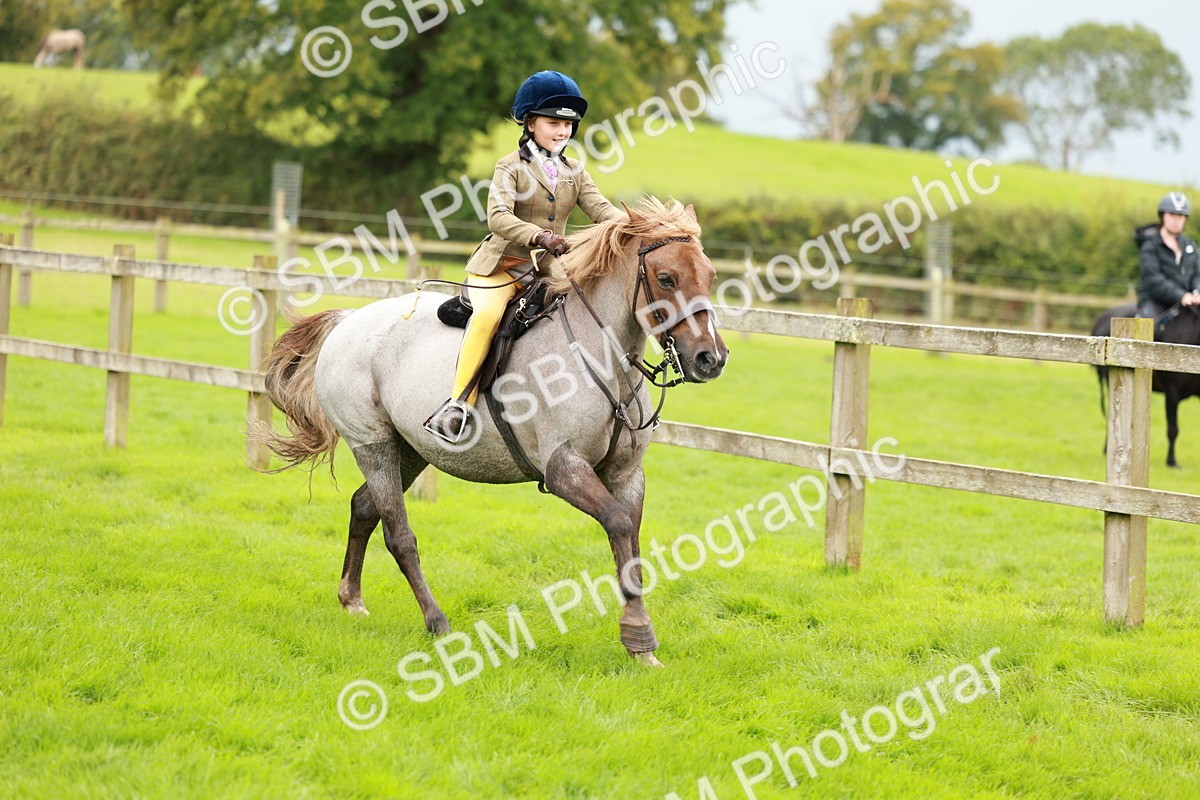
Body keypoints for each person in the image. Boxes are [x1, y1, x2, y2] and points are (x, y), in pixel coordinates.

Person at [424, 70, 624, 443]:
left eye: (568, 124)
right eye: (553, 123)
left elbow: (600, 209)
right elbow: (498, 216)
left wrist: (638, 225)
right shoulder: (510, 167)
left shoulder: (574, 170)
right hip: (503, 265)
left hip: (550, 268)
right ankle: (457, 405)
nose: (562, 131)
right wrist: (539, 236)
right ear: (529, 123)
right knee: (487, 316)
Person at [1135, 192, 1200, 324]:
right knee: (1147, 329)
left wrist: (1197, 292)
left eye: (1180, 216)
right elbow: (1153, 279)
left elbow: (1196, 275)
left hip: (1186, 302)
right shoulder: (1150, 245)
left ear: (1185, 219)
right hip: (1155, 302)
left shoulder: (1190, 245)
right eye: (1172, 215)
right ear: (1162, 216)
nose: (1176, 220)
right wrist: (1180, 296)